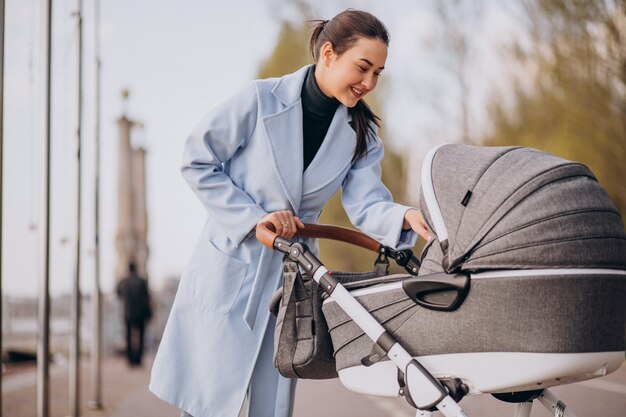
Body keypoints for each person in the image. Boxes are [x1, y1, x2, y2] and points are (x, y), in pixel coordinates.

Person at [150, 9, 432, 417]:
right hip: (233, 264)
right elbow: (198, 159)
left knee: (274, 403)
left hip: (295, 279)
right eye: (363, 67)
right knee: (207, 403)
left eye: (378, 74)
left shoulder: (361, 134)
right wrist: (253, 218)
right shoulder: (259, 100)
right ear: (329, 54)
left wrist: (403, 217)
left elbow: (367, 203)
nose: (369, 83)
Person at [116, 262, 152, 366]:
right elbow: (147, 298)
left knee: (128, 337)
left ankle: (130, 360)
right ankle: (138, 360)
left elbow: (118, 293)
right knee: (141, 337)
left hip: (128, 313)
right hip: (140, 314)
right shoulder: (142, 281)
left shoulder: (124, 282)